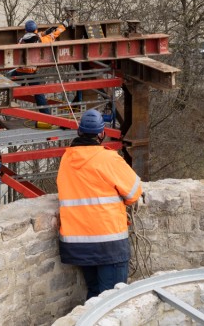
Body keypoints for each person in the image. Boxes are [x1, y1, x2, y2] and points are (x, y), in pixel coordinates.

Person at [56, 109, 142, 299]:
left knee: (95, 296)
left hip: (79, 243)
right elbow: (134, 193)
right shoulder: (108, 158)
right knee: (113, 300)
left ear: (79, 132)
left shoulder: (66, 159)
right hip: (108, 242)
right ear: (101, 133)